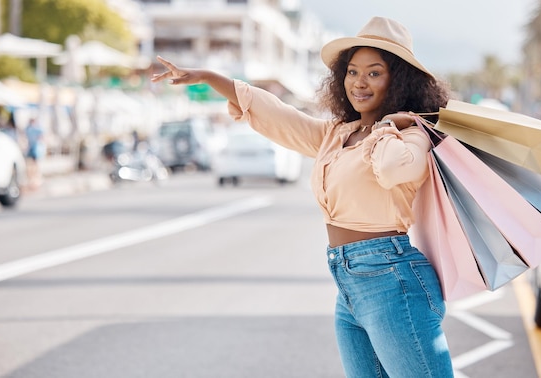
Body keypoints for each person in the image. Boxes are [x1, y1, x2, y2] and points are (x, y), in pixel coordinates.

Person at [152, 16, 454, 378]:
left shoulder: (412, 134)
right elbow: (278, 116)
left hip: (394, 282)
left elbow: (391, 170)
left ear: (399, 79)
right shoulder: (337, 134)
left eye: (374, 73)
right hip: (348, 285)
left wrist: (388, 126)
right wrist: (210, 77)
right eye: (353, 71)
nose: (360, 82)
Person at [24, 117, 46, 188]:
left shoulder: (29, 129)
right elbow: (42, 137)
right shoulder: (37, 129)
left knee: (32, 165)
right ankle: (35, 180)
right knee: (34, 165)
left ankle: (33, 180)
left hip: (32, 148)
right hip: (34, 148)